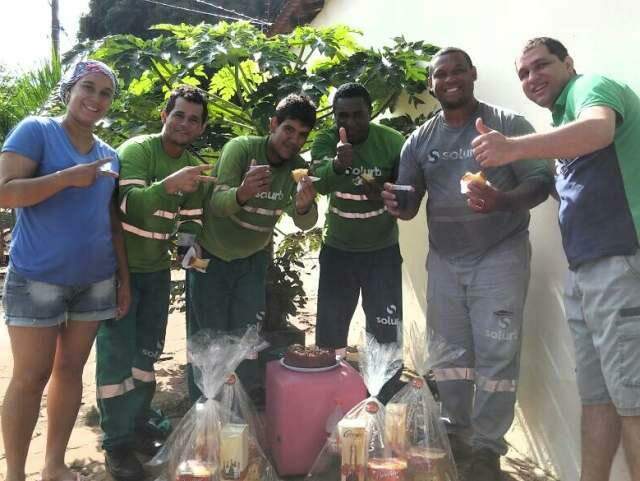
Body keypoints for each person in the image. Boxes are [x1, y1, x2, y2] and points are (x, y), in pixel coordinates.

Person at [473, 37, 640, 481]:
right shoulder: (563, 121)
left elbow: (600, 129)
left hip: (620, 262)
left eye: (540, 65)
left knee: (635, 405)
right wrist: (497, 195)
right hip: (587, 269)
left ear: (569, 62)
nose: (531, 78)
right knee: (599, 400)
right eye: (522, 73)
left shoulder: (591, 89)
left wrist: (513, 148)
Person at [381, 47, 552, 480]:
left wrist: (501, 201)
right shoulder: (419, 140)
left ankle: (488, 448)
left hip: (501, 256)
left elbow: (539, 182)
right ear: (432, 83)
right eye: (441, 74)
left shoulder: (509, 125)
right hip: (444, 261)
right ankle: (456, 434)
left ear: (473, 74)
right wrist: (397, 204)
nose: (450, 79)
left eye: (458, 70)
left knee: (498, 353)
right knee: (450, 357)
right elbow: (410, 198)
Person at [0, 61, 130, 481]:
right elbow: (4, 194)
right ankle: (15, 474)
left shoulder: (109, 155)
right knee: (30, 377)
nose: (95, 99)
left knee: (70, 372)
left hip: (94, 281)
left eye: (105, 93)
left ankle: (54, 465)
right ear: (69, 90)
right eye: (87, 88)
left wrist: (122, 280)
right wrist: (65, 178)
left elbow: (111, 223)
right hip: (37, 278)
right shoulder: (37, 131)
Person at [95, 85, 211, 481]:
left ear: (200, 128)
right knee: (116, 356)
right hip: (120, 269)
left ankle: (140, 424)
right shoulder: (138, 151)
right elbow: (130, 207)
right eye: (178, 114)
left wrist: (187, 245)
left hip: (157, 273)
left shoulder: (193, 166)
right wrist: (170, 185)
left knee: (146, 355)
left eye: (193, 119)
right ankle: (116, 445)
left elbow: (192, 216)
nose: (184, 123)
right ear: (165, 116)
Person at [186, 93, 318, 400]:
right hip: (212, 258)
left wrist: (302, 205)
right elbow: (216, 205)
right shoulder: (242, 150)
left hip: (252, 261)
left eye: (301, 135)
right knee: (209, 340)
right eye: (288, 130)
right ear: (272, 124)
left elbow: (306, 222)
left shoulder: (298, 167)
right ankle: (203, 410)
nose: (293, 140)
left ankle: (237, 408)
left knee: (245, 342)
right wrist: (242, 193)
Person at [311, 82, 405, 355]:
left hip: (382, 252)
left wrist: (385, 192)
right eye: (343, 116)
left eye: (358, 114)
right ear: (334, 117)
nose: (350, 122)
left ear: (370, 112)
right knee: (330, 333)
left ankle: (381, 394)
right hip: (338, 251)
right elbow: (319, 185)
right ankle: (330, 391)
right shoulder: (326, 141)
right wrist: (338, 165)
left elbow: (405, 192)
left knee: (386, 331)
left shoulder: (392, 141)